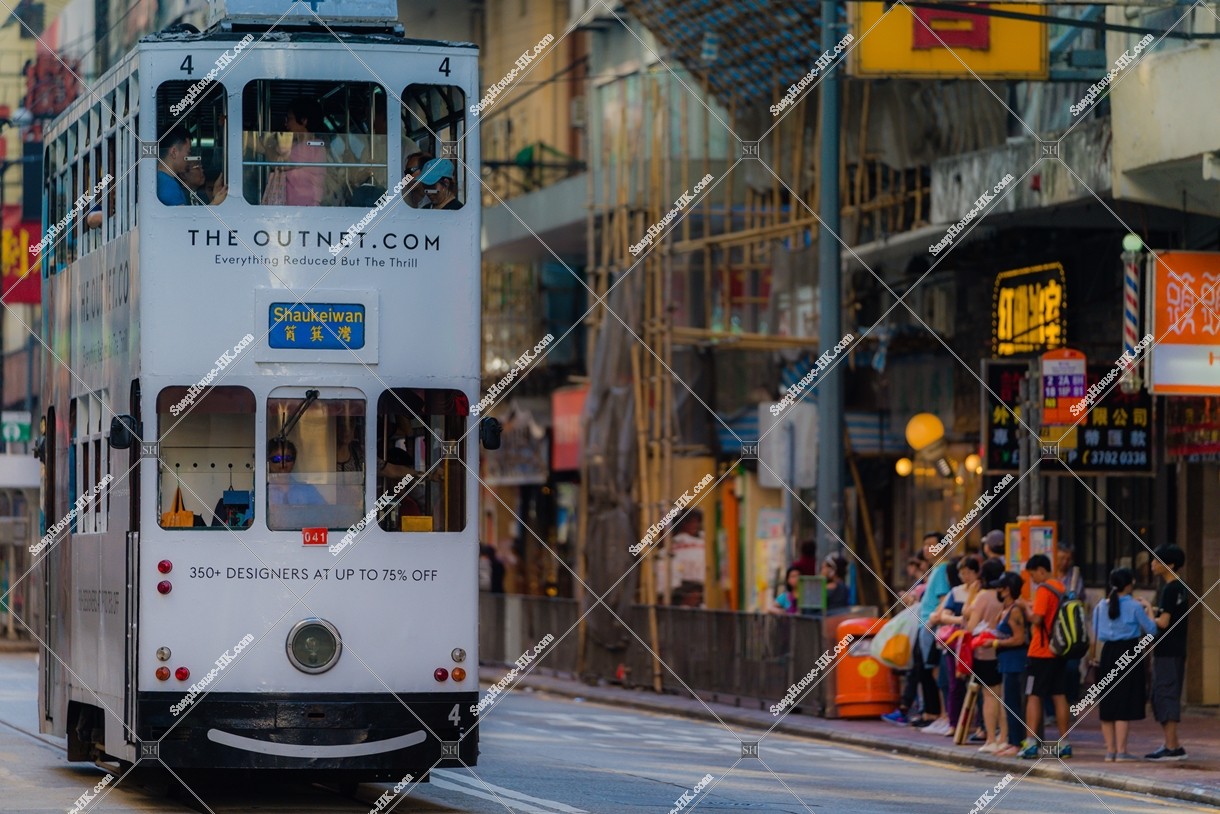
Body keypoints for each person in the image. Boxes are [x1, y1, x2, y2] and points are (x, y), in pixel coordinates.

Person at [1088, 567, 1157, 761]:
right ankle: (1121, 751)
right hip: (1129, 653)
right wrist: (1149, 608)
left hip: (1108, 653)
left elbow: (1095, 635)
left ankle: (1109, 751)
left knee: (1108, 701)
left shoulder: (1101, 606)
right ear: (1129, 584)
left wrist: (1093, 658)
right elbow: (1151, 630)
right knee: (1124, 702)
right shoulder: (1135, 606)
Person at [1017, 554, 1072, 759]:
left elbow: (1038, 619)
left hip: (1041, 651)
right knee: (1059, 695)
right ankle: (1064, 742)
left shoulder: (1043, 589)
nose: (1033, 580)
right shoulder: (1061, 588)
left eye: (1033, 575)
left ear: (1041, 570)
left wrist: (1025, 608)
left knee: (1033, 696)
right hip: (1059, 650)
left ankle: (1031, 743)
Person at [906, 532, 952, 732]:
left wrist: (934, 621)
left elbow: (943, 599)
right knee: (928, 672)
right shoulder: (935, 569)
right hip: (925, 623)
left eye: (932, 545)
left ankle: (942, 714)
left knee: (935, 672)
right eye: (925, 545)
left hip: (931, 626)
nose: (927, 549)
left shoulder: (942, 569)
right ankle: (937, 714)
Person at [1147, 543, 1189, 761]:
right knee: (1165, 693)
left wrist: (1145, 617)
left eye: (1157, 560)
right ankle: (1171, 744)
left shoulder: (1170, 589)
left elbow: (1163, 622)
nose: (1152, 564)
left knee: (1165, 694)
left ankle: (1172, 746)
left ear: (1169, 565)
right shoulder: (1180, 587)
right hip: (1175, 650)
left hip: (1167, 651)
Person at [964, 558, 1005, 749]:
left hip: (984, 652)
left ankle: (990, 739)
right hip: (1003, 649)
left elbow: (971, 626)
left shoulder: (983, 596)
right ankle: (1004, 738)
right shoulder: (1005, 595)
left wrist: (971, 595)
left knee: (989, 696)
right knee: (1003, 696)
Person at [990, 571, 1028, 756]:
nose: (997, 590)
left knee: (1014, 703)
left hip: (1016, 662)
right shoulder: (1005, 610)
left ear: (1007, 590)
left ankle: (1018, 743)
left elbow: (1019, 638)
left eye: (1000, 587)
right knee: (1009, 702)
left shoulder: (1014, 611)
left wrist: (996, 643)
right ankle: (1012, 740)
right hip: (1006, 662)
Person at [264, 99, 327, 206]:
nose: (286, 124)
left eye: (289, 119)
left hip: (303, 207)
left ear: (303, 121)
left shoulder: (311, 146)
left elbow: (278, 163)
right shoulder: (300, 145)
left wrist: (268, 144)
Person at [1055, 544, 1086, 710]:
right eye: (1061, 558)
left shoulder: (1075, 577)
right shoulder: (1051, 577)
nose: (1064, 562)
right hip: (1054, 627)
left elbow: (1078, 599)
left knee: (1072, 667)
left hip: (1071, 627)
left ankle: (1072, 702)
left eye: (1067, 559)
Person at [267, 439, 325, 505]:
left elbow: (325, 512)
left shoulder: (307, 490)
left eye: (288, 458)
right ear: (268, 462)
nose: (283, 464)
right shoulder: (262, 492)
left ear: (294, 462)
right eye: (276, 459)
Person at [157, 127, 192, 205]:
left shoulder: (159, 179)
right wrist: (215, 203)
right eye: (188, 153)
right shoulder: (169, 186)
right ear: (174, 152)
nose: (189, 158)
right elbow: (183, 217)